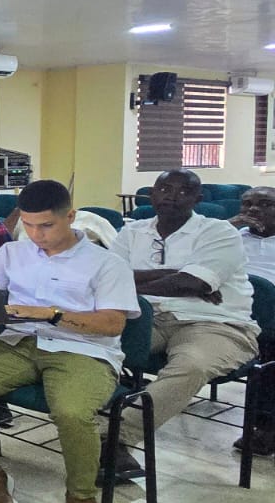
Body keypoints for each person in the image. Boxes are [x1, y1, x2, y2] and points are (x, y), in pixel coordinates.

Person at [0, 181, 141, 503]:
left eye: (46, 226)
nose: (36, 234)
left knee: (71, 411)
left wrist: (52, 314)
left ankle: (81, 498)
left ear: (70, 216)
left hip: (83, 350)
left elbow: (112, 324)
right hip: (20, 342)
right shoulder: (12, 253)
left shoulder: (106, 263)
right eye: (28, 225)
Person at [110, 170, 258, 476]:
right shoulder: (131, 232)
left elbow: (193, 283)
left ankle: (114, 437)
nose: (171, 196)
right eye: (164, 188)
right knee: (95, 343)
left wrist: (181, 281)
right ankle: (86, 422)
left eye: (183, 191)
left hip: (214, 323)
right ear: (152, 194)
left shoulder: (219, 232)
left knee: (192, 365)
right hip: (147, 316)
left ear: (197, 199)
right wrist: (179, 274)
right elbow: (109, 277)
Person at [232, 187, 275, 455]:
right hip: (233, 308)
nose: (253, 209)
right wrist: (227, 227)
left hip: (271, 315)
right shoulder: (232, 236)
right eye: (247, 204)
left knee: (271, 350)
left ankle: (265, 426)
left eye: (265, 204)